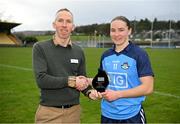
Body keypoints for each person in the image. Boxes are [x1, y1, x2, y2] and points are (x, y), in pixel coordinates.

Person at [90, 16, 154, 123]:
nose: (116, 34)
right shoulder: (105, 55)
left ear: (129, 31)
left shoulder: (139, 54)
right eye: (113, 30)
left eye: (121, 30)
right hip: (107, 114)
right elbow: (101, 81)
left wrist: (118, 94)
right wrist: (98, 91)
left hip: (131, 115)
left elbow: (148, 88)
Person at [32, 8, 92, 123]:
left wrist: (89, 92)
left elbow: (82, 78)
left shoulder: (79, 51)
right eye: (60, 21)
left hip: (74, 113)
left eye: (68, 21)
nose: (64, 25)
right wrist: (73, 81)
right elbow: (41, 80)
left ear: (73, 27)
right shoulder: (40, 47)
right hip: (49, 113)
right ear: (54, 25)